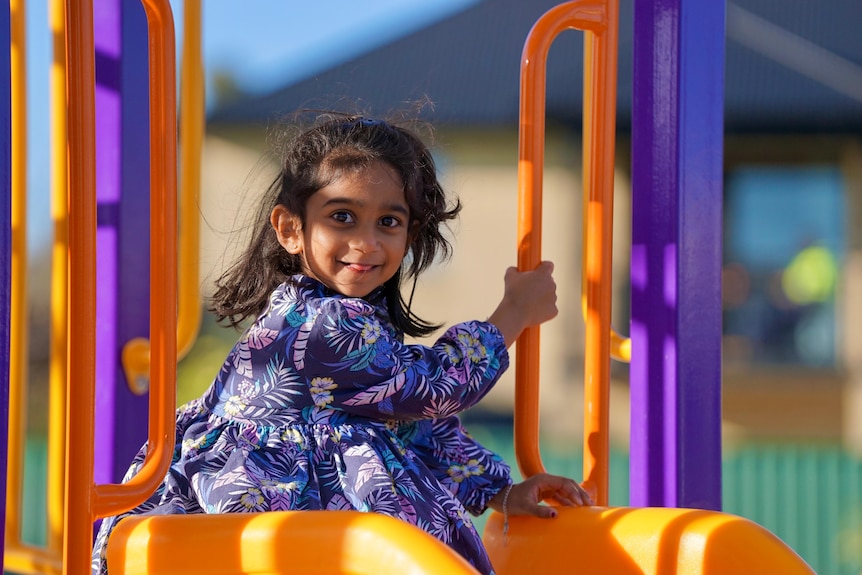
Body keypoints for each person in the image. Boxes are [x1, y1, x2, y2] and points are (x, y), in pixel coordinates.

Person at [91, 113, 592, 575]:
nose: (367, 242)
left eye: (388, 222)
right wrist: (513, 315)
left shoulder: (349, 323)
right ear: (290, 229)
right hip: (268, 521)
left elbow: (411, 424)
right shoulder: (325, 327)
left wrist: (500, 491)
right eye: (343, 217)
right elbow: (435, 388)